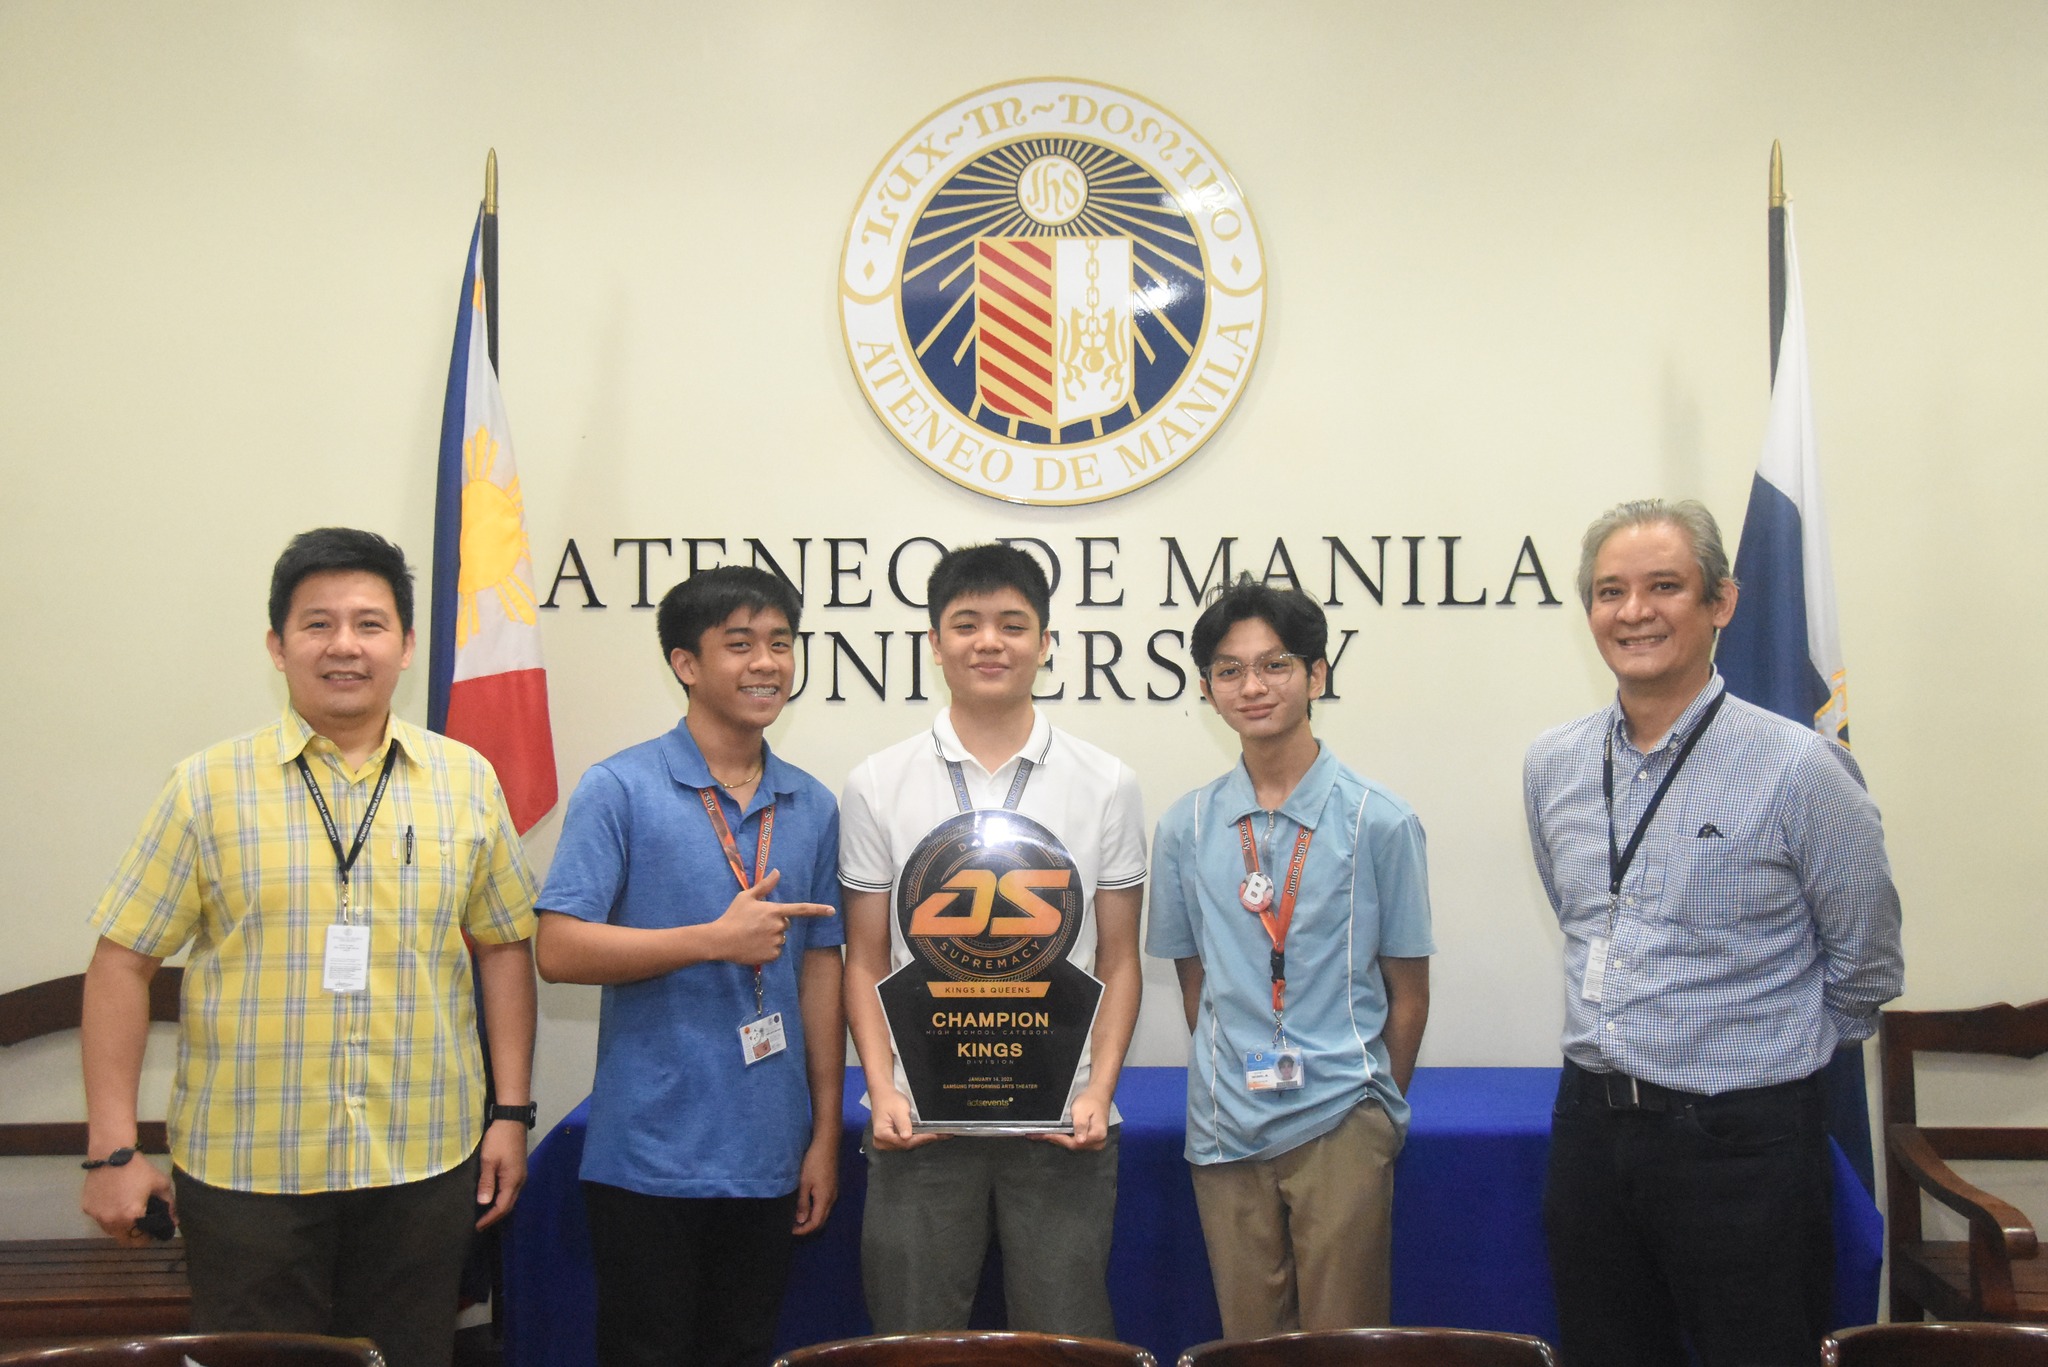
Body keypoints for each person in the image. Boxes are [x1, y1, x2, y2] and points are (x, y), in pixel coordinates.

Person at [80, 528, 539, 1367]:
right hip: (248, 1172)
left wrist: (510, 1113)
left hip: (424, 1159)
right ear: (277, 645)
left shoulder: (466, 779)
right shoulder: (205, 787)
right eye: (317, 623)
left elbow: (505, 948)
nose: (344, 645)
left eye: (370, 623)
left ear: (405, 645)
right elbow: (123, 962)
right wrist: (113, 1148)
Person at [1523, 498, 1904, 1367]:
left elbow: (1867, 961)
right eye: (1610, 591)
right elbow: (1583, 916)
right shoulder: (1554, 762)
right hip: (1591, 1128)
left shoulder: (1801, 767)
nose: (1634, 611)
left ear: (1721, 602)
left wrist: (1762, 1053)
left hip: (1746, 1148)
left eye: (1665, 586)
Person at [534, 566, 843, 1367]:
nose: (766, 663)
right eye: (738, 644)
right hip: (649, 1152)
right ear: (686, 663)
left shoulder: (809, 802)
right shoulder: (620, 786)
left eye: (781, 643)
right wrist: (714, 939)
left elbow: (819, 973)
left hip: (770, 1147)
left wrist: (821, 1135)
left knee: (744, 1349)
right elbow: (560, 948)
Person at [840, 542, 1146, 1336]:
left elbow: (1118, 956)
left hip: (1061, 1121)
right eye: (966, 623)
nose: (990, 641)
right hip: (919, 1122)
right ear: (933, 644)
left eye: (1014, 624)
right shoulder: (877, 782)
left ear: (1047, 643)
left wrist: (1098, 1090)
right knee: (911, 1343)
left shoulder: (1106, 781)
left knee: (1066, 1341)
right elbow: (866, 957)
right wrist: (883, 1087)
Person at [1145, 580, 1433, 1336]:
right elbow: (1193, 977)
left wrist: (1376, 1109)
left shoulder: (1381, 820)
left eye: (1275, 664)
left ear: (1317, 674)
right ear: (1206, 689)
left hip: (1341, 1116)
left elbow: (1408, 992)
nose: (1254, 685)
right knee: (1248, 1345)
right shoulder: (1186, 825)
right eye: (1231, 670)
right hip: (1224, 1124)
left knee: (1343, 1344)